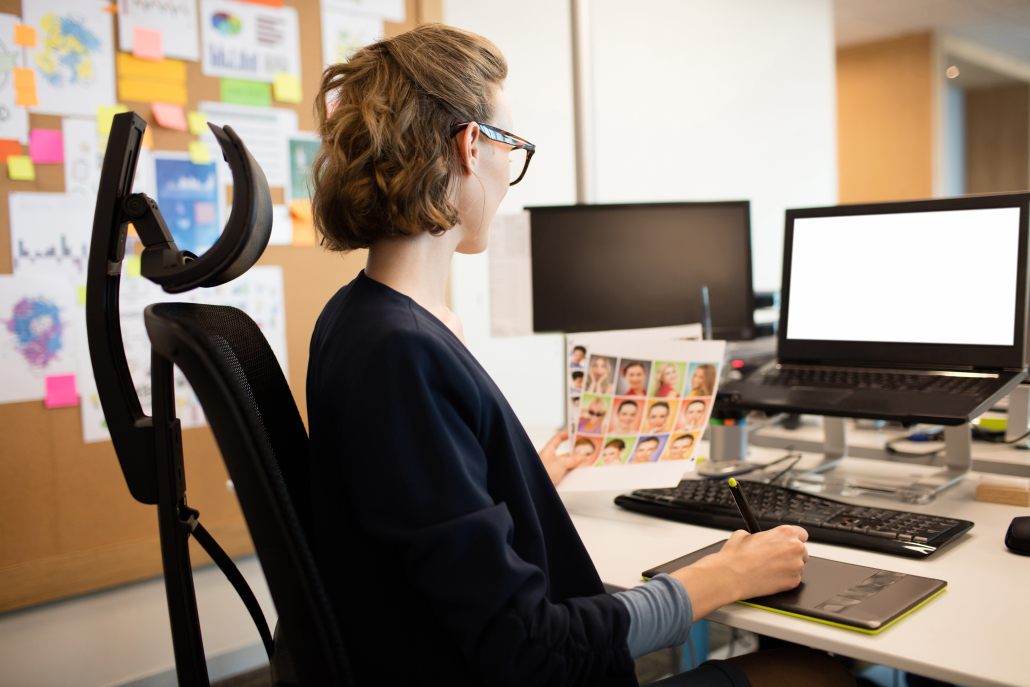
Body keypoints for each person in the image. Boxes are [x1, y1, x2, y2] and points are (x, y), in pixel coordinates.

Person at [305, 23, 852, 687]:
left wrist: (515, 480)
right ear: (472, 146)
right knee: (812, 672)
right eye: (511, 145)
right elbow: (528, 648)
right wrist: (716, 579)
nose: (511, 172)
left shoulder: (355, 317)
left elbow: (415, 513)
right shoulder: (402, 353)